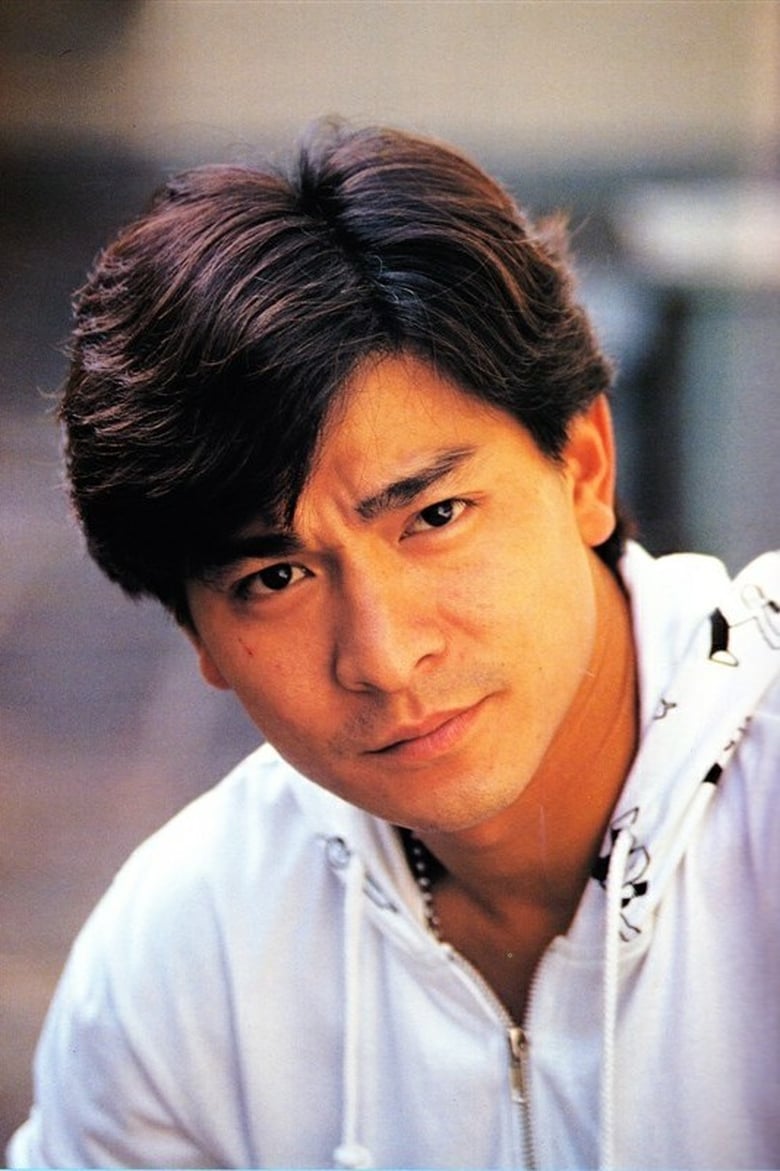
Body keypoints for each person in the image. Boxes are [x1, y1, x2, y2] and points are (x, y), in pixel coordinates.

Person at [8, 121, 779, 1171]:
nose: (380, 655)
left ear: (585, 466)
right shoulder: (188, 955)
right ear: (201, 638)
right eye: (274, 578)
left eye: (435, 516)